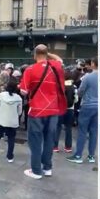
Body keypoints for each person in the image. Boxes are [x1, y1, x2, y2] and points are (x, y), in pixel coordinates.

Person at [19, 44, 67, 180]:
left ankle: (36, 170)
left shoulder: (30, 69)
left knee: (35, 141)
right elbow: (60, 60)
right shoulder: (55, 66)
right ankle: (47, 168)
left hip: (37, 111)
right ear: (46, 54)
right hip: (53, 109)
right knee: (49, 140)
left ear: (34, 55)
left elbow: (24, 91)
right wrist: (48, 54)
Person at [67, 57, 98, 164]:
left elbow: (80, 92)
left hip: (87, 105)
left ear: (93, 64)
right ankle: (91, 156)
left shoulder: (88, 77)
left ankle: (78, 155)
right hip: (97, 107)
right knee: (94, 132)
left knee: (82, 131)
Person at [0, 81, 22, 163]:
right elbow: (19, 112)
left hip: (1, 120)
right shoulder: (18, 98)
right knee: (11, 139)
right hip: (12, 122)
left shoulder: (1, 96)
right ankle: (10, 156)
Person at [54, 70, 78, 153]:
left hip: (60, 109)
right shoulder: (74, 87)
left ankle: (55, 146)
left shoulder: (59, 86)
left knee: (57, 127)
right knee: (68, 128)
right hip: (70, 109)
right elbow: (76, 99)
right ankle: (68, 147)